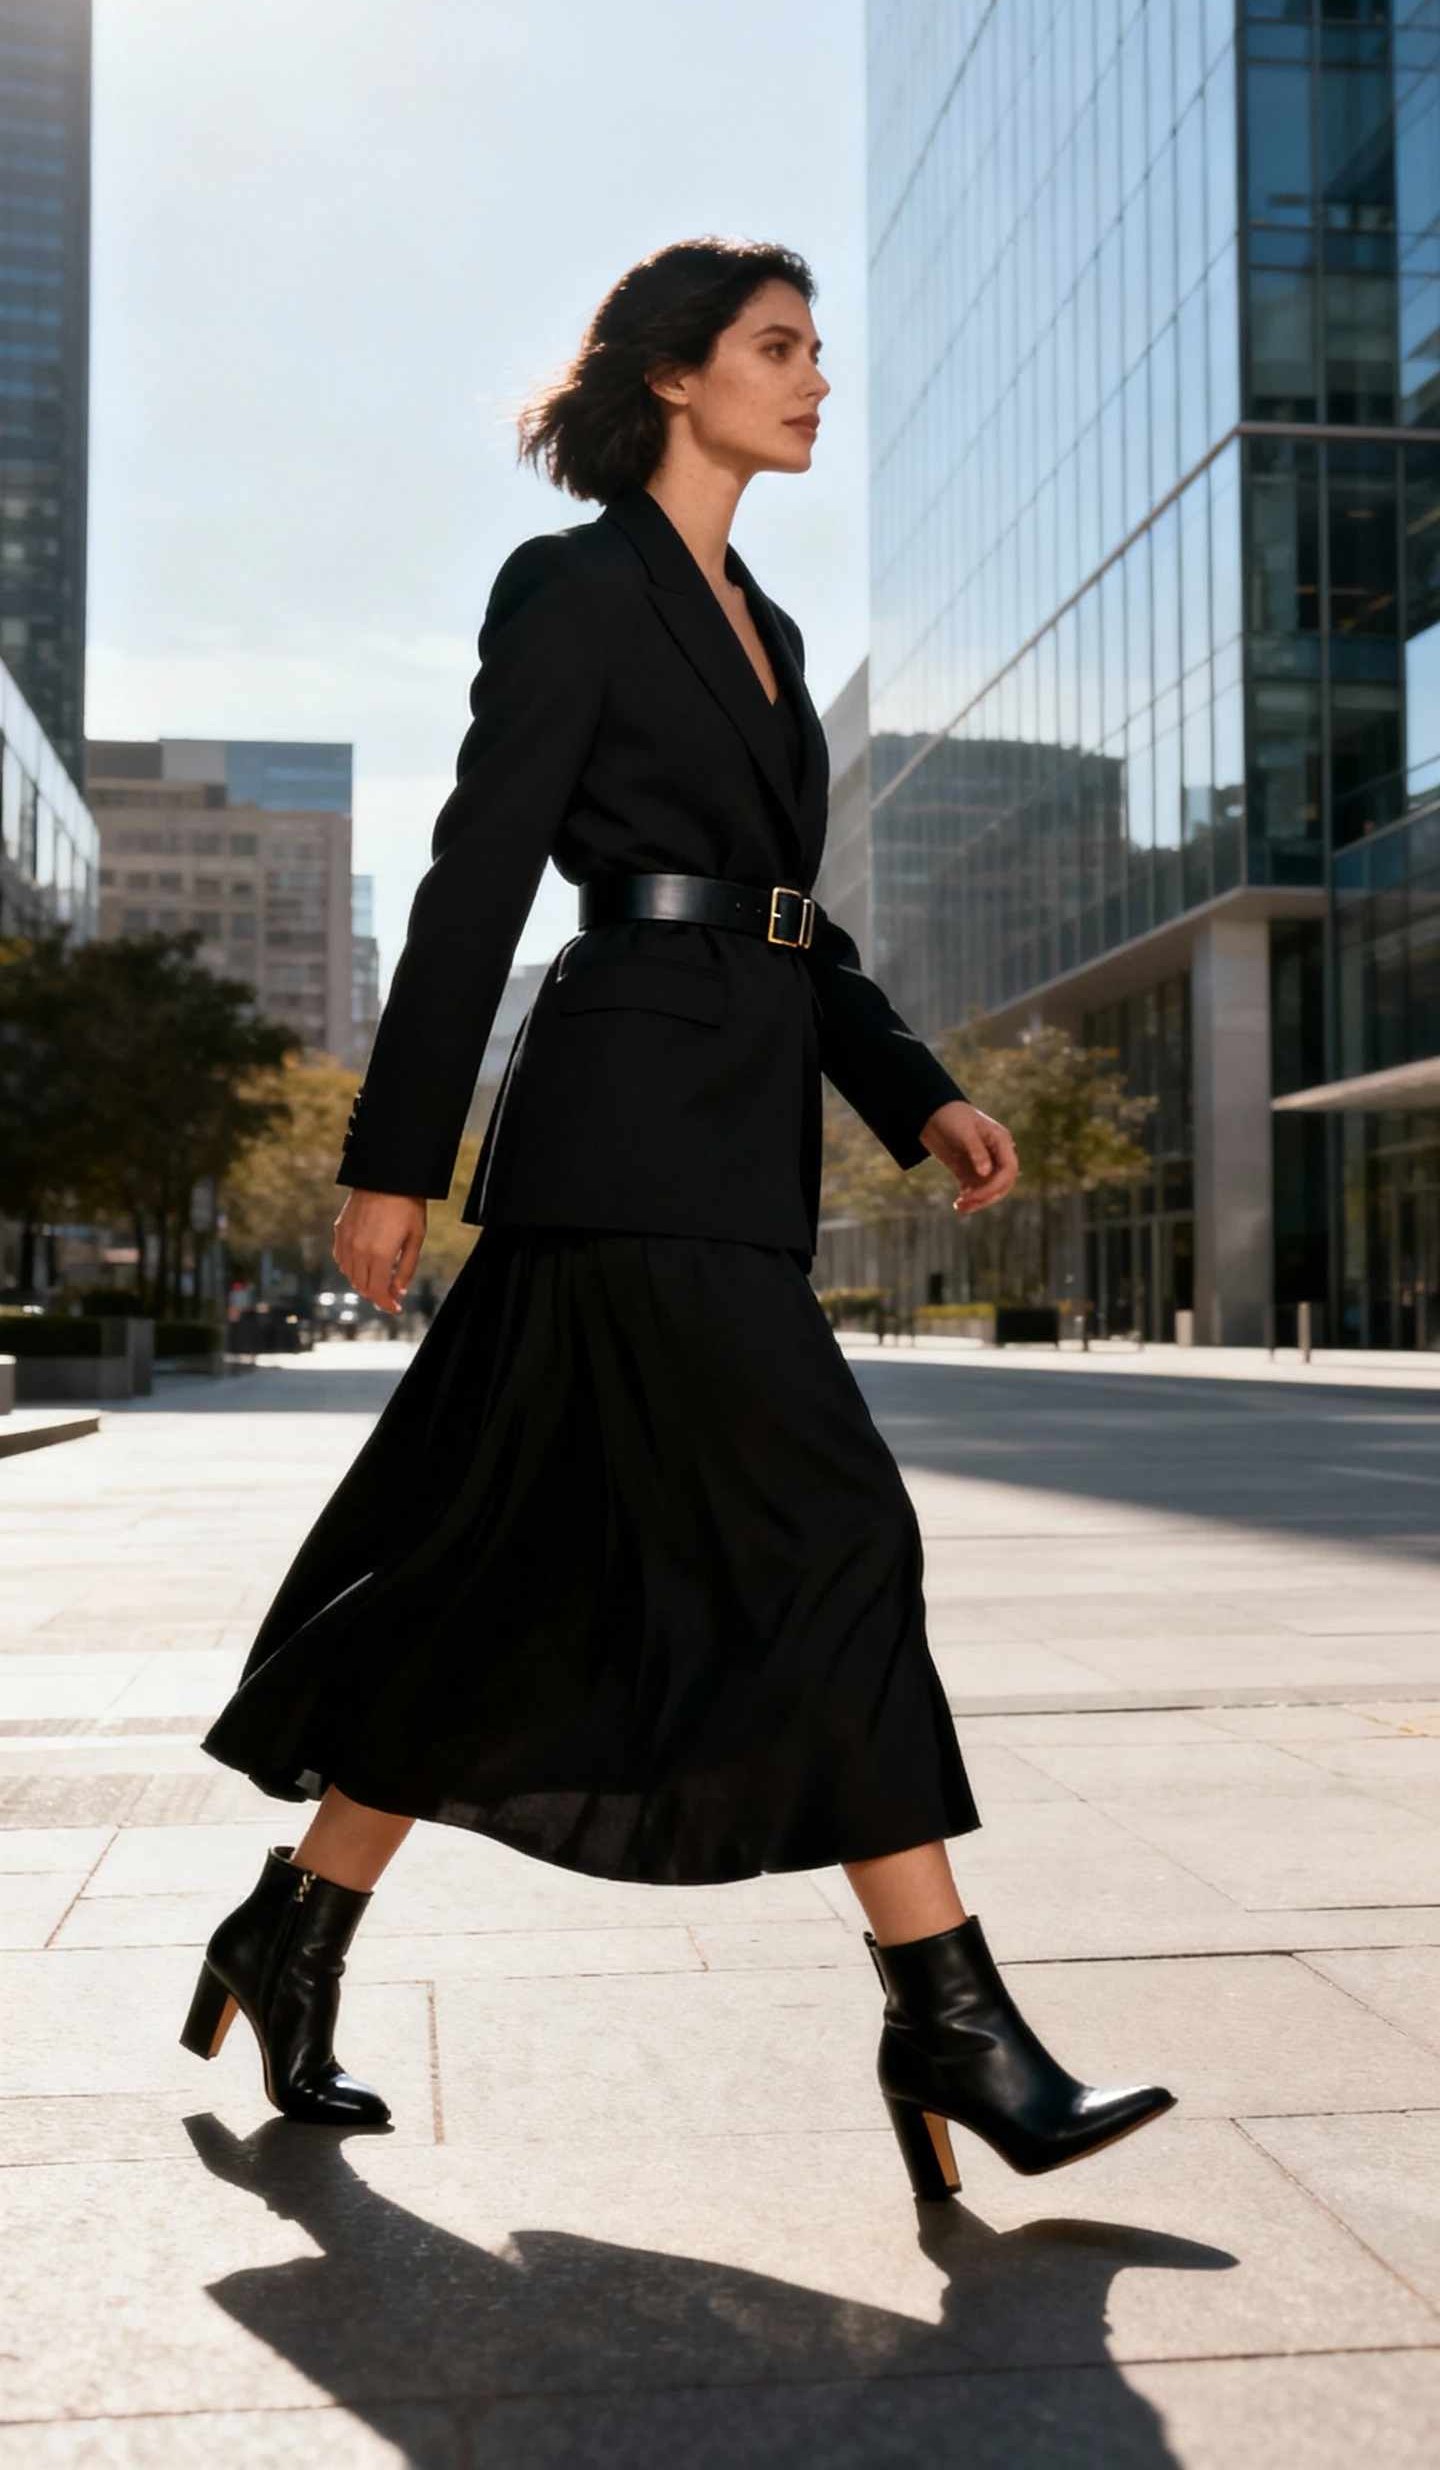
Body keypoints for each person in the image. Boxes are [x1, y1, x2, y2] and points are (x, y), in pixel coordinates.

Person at [187, 240, 1172, 2200]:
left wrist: (918, 1085)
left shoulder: (773, 634)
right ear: (671, 374)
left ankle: (287, 1932)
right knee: (833, 1527)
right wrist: (396, 1160)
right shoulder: (575, 587)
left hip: (736, 1142)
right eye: (779, 348)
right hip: (619, 1132)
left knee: (499, 1583)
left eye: (818, 350)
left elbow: (790, 919)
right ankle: (949, 2014)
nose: (817, 381)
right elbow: (479, 878)